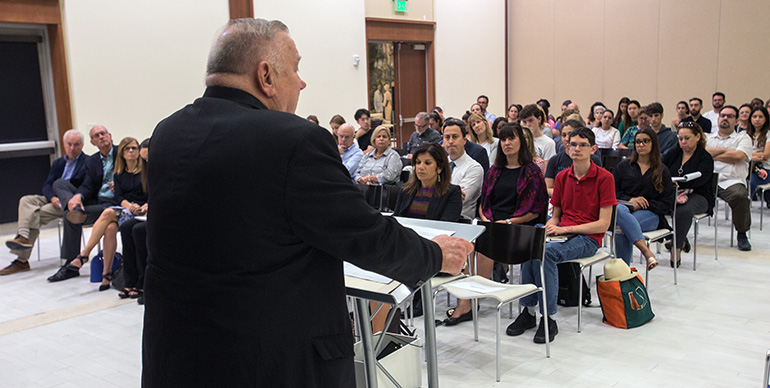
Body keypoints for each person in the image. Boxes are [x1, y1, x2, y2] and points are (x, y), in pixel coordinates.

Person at [142, 19, 471, 388]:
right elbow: (364, 232)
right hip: (270, 359)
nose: (301, 82)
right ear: (265, 76)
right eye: (296, 68)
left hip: (179, 354)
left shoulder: (167, 132)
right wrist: (434, 254)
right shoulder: (291, 141)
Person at [507, 127, 616, 343]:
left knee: (546, 254)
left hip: (588, 238)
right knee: (531, 242)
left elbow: (602, 224)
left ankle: (549, 318)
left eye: (582, 145)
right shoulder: (562, 176)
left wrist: (565, 229)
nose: (576, 148)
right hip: (562, 232)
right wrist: (549, 228)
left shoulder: (605, 178)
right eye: (572, 144)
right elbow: (556, 216)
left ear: (593, 149)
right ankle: (528, 312)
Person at [445, 122, 548, 326]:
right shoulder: (495, 170)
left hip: (519, 227)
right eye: (504, 139)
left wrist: (507, 221)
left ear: (522, 142)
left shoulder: (532, 172)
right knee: (468, 245)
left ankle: (467, 304)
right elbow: (484, 204)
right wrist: (487, 219)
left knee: (483, 246)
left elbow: (533, 211)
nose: (507, 143)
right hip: (492, 223)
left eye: (512, 138)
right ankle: (468, 301)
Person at [61, 137, 148, 290]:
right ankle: (106, 274)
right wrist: (129, 206)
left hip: (143, 211)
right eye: (127, 149)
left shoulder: (146, 171)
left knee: (108, 212)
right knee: (109, 229)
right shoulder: (119, 174)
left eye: (134, 148)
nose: (131, 151)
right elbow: (119, 197)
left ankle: (84, 255)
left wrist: (142, 207)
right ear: (121, 153)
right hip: (127, 210)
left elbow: (152, 194)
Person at [2, 130, 88, 275]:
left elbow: (85, 186)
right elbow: (47, 184)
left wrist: (63, 197)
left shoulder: (88, 162)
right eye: (69, 144)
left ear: (82, 145)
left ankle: (21, 261)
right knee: (26, 200)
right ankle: (22, 236)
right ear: (64, 144)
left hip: (70, 202)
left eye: (76, 145)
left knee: (33, 215)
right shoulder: (58, 162)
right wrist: (52, 198)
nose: (72, 148)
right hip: (53, 199)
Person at [47, 125, 118, 282]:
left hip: (116, 203)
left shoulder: (122, 153)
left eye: (103, 133)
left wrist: (119, 184)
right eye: (96, 135)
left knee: (70, 215)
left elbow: (135, 174)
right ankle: (71, 262)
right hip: (98, 201)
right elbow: (88, 185)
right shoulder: (92, 161)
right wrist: (78, 196)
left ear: (110, 135)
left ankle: (74, 263)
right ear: (92, 142)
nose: (101, 137)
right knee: (61, 190)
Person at [613, 128, 675, 269]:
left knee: (620, 227)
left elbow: (666, 203)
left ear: (653, 143)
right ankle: (646, 253)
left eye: (645, 141)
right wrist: (631, 200)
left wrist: (643, 204)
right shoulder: (624, 166)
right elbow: (613, 193)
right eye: (638, 142)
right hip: (625, 209)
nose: (641, 145)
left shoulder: (662, 170)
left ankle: (623, 273)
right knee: (620, 210)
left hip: (651, 215)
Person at [663, 121, 714, 265]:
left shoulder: (705, 157)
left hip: (699, 195)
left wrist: (685, 186)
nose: (683, 142)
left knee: (683, 211)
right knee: (656, 205)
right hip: (674, 193)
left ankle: (676, 248)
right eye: (680, 139)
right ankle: (678, 238)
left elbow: (703, 179)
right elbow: (662, 170)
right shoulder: (674, 154)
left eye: (687, 138)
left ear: (697, 137)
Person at [705, 105, 752, 251]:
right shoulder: (707, 137)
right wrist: (727, 151)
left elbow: (739, 156)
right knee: (683, 195)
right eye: (723, 115)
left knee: (740, 196)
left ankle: (742, 233)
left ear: (737, 120)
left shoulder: (743, 138)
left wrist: (712, 154)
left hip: (731, 181)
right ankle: (680, 237)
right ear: (718, 119)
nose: (725, 118)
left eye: (730, 116)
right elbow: (701, 153)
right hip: (707, 181)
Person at [393, 143, 462, 220]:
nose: (421, 167)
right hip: (406, 231)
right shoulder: (405, 190)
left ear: (439, 167)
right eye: (418, 162)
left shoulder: (452, 193)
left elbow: (447, 225)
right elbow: (396, 220)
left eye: (427, 163)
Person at [119, 138, 150, 302]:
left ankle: (142, 280)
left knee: (138, 230)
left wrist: (147, 206)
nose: (146, 161)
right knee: (126, 228)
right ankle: (129, 280)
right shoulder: (122, 173)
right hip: (146, 211)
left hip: (154, 211)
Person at [544, 120, 602, 197]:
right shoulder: (554, 160)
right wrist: (567, 194)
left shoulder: (594, 160)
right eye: (563, 135)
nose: (567, 138)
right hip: (560, 198)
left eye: (570, 134)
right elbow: (548, 188)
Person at [441, 118, 483, 220]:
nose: (450, 141)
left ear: (464, 140)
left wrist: (434, 190)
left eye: (455, 137)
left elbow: (456, 200)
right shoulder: (439, 164)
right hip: (436, 218)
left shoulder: (474, 168)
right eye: (447, 137)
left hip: (460, 221)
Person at [748, 107, 770, 201]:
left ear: (766, 119)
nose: (757, 119)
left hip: (763, 169)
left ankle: (744, 205)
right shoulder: (744, 134)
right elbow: (737, 153)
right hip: (746, 166)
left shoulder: (768, 134)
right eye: (754, 116)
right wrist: (755, 156)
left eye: (760, 116)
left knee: (750, 182)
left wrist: (747, 155)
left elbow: (765, 156)